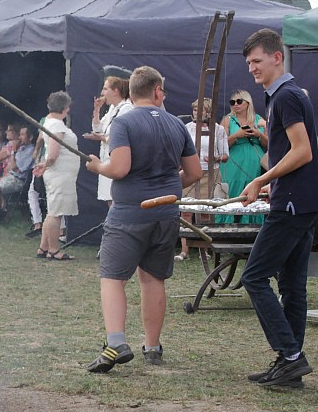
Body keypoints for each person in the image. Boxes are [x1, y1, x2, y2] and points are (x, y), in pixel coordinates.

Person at [84, 66, 200, 372]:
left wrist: (98, 167)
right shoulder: (177, 124)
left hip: (129, 213)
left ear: (131, 92)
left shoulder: (124, 123)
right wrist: (167, 189)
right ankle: (152, 347)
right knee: (152, 279)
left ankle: (116, 343)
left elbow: (120, 168)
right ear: (158, 91)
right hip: (165, 214)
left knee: (112, 278)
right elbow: (194, 173)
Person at [238, 28, 318, 389]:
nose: (252, 69)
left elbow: (304, 151)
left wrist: (262, 180)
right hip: (302, 201)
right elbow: (314, 150)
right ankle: (289, 367)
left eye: (257, 61)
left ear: (277, 57)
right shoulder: (291, 95)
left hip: (291, 206)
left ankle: (290, 356)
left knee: (254, 277)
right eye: (248, 63)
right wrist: (278, 181)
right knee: (292, 286)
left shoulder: (285, 97)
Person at [176, 98, 230, 260]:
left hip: (210, 173)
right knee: (185, 212)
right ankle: (184, 250)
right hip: (190, 172)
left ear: (209, 112)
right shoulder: (187, 128)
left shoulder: (219, 130)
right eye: (194, 110)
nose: (197, 113)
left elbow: (226, 155)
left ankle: (204, 249)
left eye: (201, 110)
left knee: (205, 213)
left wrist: (216, 157)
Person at [31, 92, 80, 260]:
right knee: (55, 212)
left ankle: (43, 248)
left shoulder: (49, 123)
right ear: (65, 108)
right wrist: (46, 164)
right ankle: (53, 249)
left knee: (53, 211)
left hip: (59, 174)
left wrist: (45, 164)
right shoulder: (57, 126)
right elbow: (52, 154)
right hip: (59, 174)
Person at [219, 89, 268, 225]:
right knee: (233, 192)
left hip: (255, 163)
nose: (236, 104)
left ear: (248, 103)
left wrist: (259, 134)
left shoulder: (259, 120)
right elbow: (220, 145)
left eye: (239, 101)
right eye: (232, 102)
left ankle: (254, 226)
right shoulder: (227, 120)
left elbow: (270, 144)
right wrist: (237, 135)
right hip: (233, 163)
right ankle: (227, 226)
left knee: (253, 193)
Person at [83, 76, 133, 205]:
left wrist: (102, 138)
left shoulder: (127, 108)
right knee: (109, 200)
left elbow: (123, 136)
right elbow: (97, 128)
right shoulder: (112, 109)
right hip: (106, 159)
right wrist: (97, 110)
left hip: (116, 161)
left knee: (115, 200)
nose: (102, 93)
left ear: (115, 91)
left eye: (105, 89)